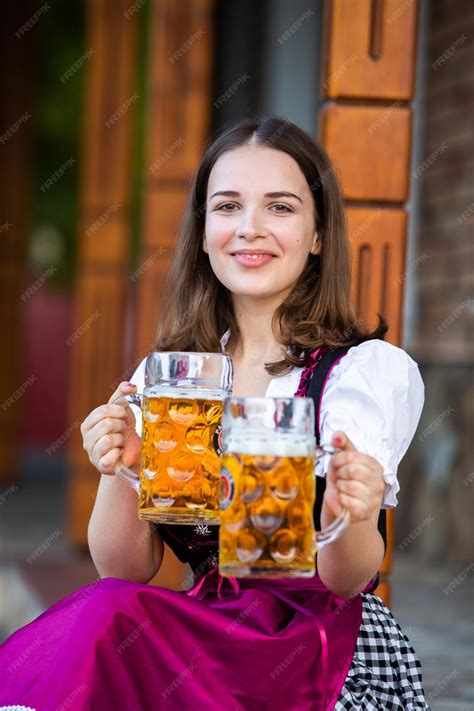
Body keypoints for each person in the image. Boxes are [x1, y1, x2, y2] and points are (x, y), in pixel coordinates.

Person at [0, 117, 430, 710]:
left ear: (318, 235)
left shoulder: (362, 373)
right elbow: (124, 569)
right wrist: (116, 469)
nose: (250, 229)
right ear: (203, 233)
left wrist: (354, 512)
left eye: (280, 207)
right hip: (200, 637)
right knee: (105, 614)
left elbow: (348, 580)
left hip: (312, 646)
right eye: (227, 206)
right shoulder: (174, 377)